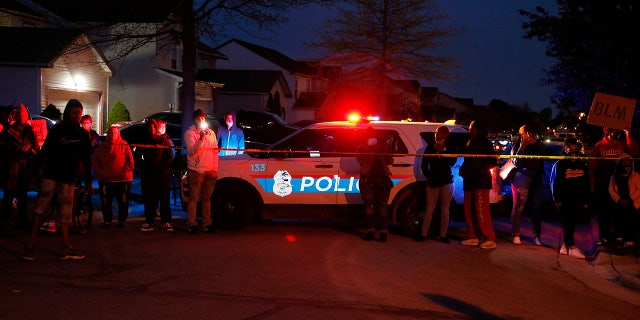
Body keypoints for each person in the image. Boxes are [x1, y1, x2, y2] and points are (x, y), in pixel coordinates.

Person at [23, 99, 93, 261]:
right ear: (68, 112)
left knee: (65, 215)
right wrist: (33, 172)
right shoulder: (57, 130)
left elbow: (87, 160)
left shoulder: (82, 135)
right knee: (40, 211)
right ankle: (30, 245)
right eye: (74, 112)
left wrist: (88, 181)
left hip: (68, 179)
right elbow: (44, 152)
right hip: (51, 176)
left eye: (80, 113)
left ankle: (65, 247)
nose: (77, 115)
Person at [458, 120, 497, 249]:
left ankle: (489, 238)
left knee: (481, 211)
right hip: (469, 181)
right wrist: (465, 171)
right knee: (468, 210)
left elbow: (492, 161)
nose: (469, 129)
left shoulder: (485, 143)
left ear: (477, 129)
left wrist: (479, 170)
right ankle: (473, 236)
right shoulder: (469, 141)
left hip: (480, 181)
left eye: (471, 127)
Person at [0, 103, 39, 230]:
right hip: (11, 168)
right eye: (20, 114)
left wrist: (29, 149)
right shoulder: (8, 131)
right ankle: (5, 221)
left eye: (24, 114)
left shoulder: (29, 130)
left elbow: (36, 148)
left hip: (24, 168)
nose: (22, 116)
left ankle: (22, 220)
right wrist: (15, 149)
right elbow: (2, 147)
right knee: (9, 194)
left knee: (23, 196)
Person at [415, 125, 456, 243]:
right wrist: (429, 177)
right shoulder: (429, 148)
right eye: (436, 133)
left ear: (446, 135)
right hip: (433, 182)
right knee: (429, 209)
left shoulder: (450, 148)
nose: (437, 135)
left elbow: (452, 162)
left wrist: (443, 151)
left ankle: (443, 235)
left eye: (441, 133)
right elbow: (424, 165)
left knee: (445, 210)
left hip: (446, 181)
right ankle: (424, 233)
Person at [509, 125, 548, 246]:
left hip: (536, 177)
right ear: (520, 135)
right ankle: (516, 234)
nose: (527, 136)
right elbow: (516, 162)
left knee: (536, 207)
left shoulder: (537, 145)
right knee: (518, 206)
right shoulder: (517, 146)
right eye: (524, 133)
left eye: (529, 133)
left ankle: (537, 236)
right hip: (522, 176)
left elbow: (547, 152)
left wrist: (535, 142)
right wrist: (522, 146)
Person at [550, 138, 589, 258]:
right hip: (564, 199)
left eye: (574, 149)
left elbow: (586, 183)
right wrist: (557, 199)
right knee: (568, 222)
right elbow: (554, 183)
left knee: (571, 221)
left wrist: (586, 200)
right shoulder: (560, 165)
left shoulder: (582, 164)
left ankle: (565, 245)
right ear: (565, 150)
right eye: (569, 149)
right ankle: (572, 246)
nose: (572, 151)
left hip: (577, 199)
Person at [590, 127, 628, 246]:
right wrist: (592, 182)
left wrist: (628, 134)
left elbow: (635, 151)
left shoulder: (621, 144)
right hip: (603, 183)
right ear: (606, 132)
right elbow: (592, 166)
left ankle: (619, 235)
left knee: (618, 209)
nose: (613, 134)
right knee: (604, 210)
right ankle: (604, 236)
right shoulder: (599, 145)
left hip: (619, 183)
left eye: (615, 131)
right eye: (611, 131)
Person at [356, 127, 394, 242]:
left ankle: (383, 233)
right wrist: (377, 147)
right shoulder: (361, 148)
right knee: (369, 208)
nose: (372, 137)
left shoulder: (381, 148)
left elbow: (390, 161)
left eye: (374, 135)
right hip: (367, 182)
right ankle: (371, 231)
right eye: (370, 135)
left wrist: (384, 149)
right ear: (365, 137)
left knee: (382, 208)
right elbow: (364, 159)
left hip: (382, 181)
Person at [185, 108, 218, 234]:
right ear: (194, 120)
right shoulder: (190, 133)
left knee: (206, 198)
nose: (201, 120)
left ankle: (207, 224)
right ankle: (192, 223)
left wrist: (215, 169)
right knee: (193, 198)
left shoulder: (211, 133)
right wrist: (200, 139)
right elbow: (192, 152)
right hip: (196, 171)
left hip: (210, 170)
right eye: (199, 118)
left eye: (203, 118)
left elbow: (215, 152)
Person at [93, 126, 134, 228]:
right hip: (105, 179)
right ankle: (107, 220)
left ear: (118, 134)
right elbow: (96, 162)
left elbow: (130, 162)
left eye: (115, 133)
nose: (113, 135)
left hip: (122, 179)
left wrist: (124, 172)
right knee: (106, 201)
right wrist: (101, 172)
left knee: (123, 201)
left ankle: (122, 220)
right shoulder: (102, 146)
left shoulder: (124, 145)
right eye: (111, 133)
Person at [139, 118, 175, 232]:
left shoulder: (164, 140)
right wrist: (143, 165)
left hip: (161, 174)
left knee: (164, 198)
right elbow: (139, 154)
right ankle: (149, 221)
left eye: (153, 127)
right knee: (150, 199)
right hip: (148, 174)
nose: (151, 129)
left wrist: (162, 166)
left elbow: (170, 155)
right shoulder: (145, 140)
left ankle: (166, 221)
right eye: (149, 127)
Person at [608, 153, 640, 249]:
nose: (627, 165)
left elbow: (639, 190)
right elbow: (611, 189)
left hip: (633, 203)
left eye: (629, 163)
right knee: (619, 219)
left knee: (631, 221)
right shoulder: (615, 177)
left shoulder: (636, 176)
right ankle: (619, 237)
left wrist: (630, 200)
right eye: (624, 162)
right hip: (620, 202)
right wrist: (618, 199)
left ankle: (630, 239)